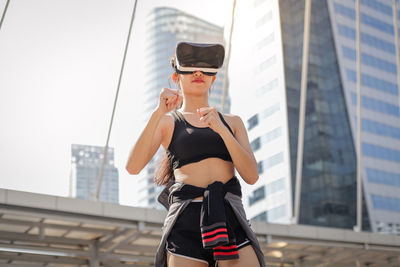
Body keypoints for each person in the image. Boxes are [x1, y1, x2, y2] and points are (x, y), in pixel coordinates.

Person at [126, 42, 265, 267]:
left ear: (213, 78)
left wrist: (221, 129)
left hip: (229, 214)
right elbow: (133, 166)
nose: (198, 73)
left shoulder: (233, 122)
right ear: (176, 77)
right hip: (186, 220)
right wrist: (158, 112)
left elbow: (251, 176)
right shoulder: (167, 122)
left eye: (205, 69)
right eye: (190, 68)